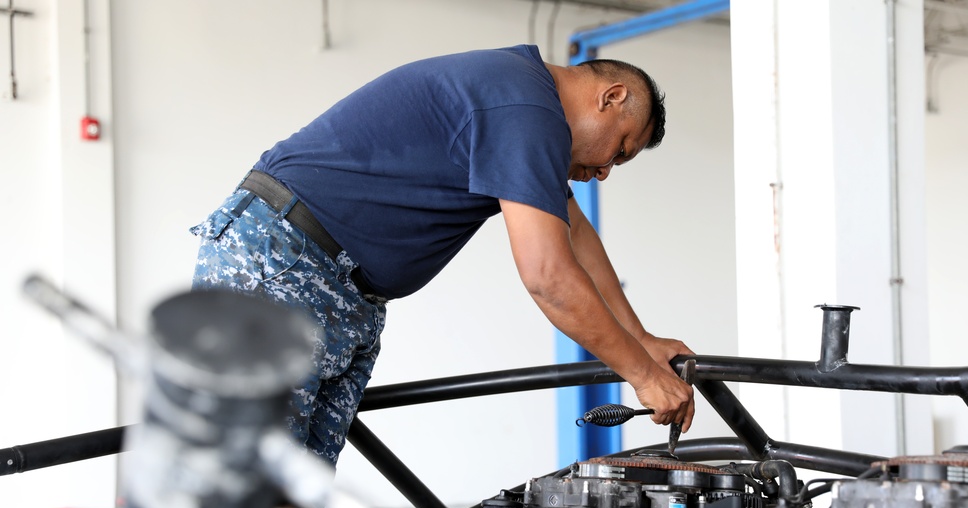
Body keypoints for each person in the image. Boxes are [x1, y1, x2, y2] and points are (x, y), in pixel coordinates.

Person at [190, 44, 694, 467]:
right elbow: (548, 276)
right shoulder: (525, 109)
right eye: (621, 150)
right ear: (611, 97)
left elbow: (575, 236)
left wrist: (640, 339)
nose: (606, 169)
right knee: (243, 491)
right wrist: (643, 376)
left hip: (334, 289)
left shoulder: (523, 103)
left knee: (292, 498)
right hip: (284, 265)